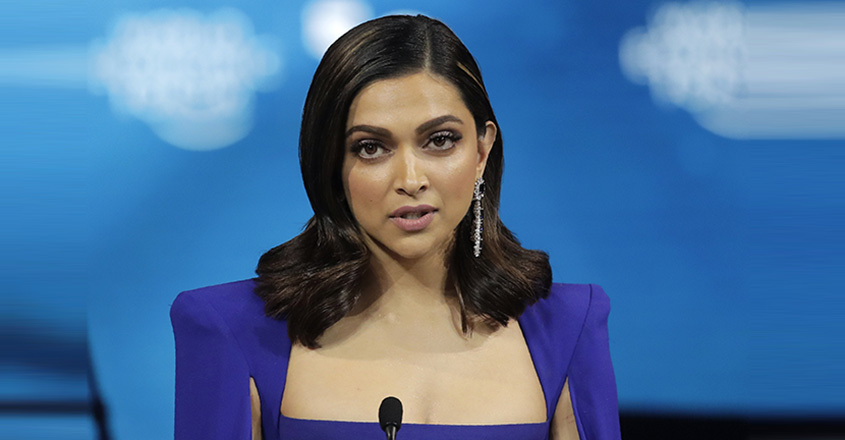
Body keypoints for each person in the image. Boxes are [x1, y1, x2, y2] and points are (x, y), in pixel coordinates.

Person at [171, 14, 620, 440]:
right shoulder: (232, 329)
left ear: (482, 151)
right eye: (371, 148)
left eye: (440, 140)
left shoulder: (567, 326)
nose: (410, 179)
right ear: (331, 163)